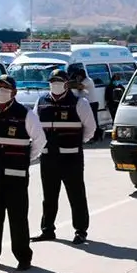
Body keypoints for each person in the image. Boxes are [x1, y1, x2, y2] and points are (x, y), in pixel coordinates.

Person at [0, 75, 47, 270]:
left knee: (18, 217)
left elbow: (39, 140)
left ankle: (23, 257)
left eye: (5, 88)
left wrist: (25, 159)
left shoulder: (25, 114)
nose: (1, 91)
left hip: (16, 175)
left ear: (14, 92)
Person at [31, 69, 96, 245]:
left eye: (59, 80)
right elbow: (36, 129)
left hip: (71, 157)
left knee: (76, 195)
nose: (55, 84)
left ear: (67, 83)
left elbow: (90, 129)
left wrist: (75, 143)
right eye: (53, 80)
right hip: (48, 157)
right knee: (49, 196)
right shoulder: (41, 102)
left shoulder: (79, 102)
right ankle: (47, 229)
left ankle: (80, 230)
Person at [73, 69, 102, 143]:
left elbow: (79, 87)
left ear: (82, 75)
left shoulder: (87, 80)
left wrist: (69, 84)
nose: (77, 78)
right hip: (87, 103)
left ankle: (96, 137)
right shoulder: (83, 81)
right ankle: (96, 135)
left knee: (93, 120)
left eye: (78, 76)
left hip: (92, 103)